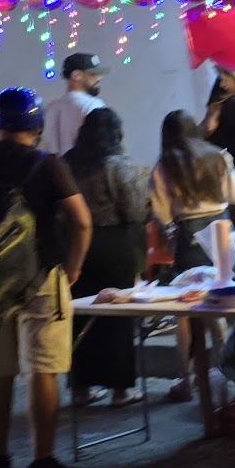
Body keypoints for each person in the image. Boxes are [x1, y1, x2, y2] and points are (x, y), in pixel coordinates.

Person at [0, 88, 92, 468]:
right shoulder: (47, 163)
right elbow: (81, 220)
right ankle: (41, 465)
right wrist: (73, 266)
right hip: (40, 275)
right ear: (36, 125)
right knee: (42, 368)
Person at [149, 110, 235, 402]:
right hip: (223, 231)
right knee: (220, 303)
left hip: (189, 236)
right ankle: (226, 373)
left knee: (185, 311)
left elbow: (162, 213)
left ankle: (186, 379)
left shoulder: (165, 164)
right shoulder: (219, 156)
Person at [63, 108, 149, 408]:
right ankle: (120, 390)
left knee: (79, 318)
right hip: (113, 245)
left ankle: (80, 388)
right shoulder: (114, 164)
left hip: (75, 245)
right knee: (117, 320)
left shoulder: (67, 163)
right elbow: (134, 210)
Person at [41, 53, 108, 157]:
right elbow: (103, 148)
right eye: (93, 74)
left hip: (54, 166)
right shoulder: (94, 106)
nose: (99, 78)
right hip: (84, 166)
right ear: (76, 75)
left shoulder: (49, 108)